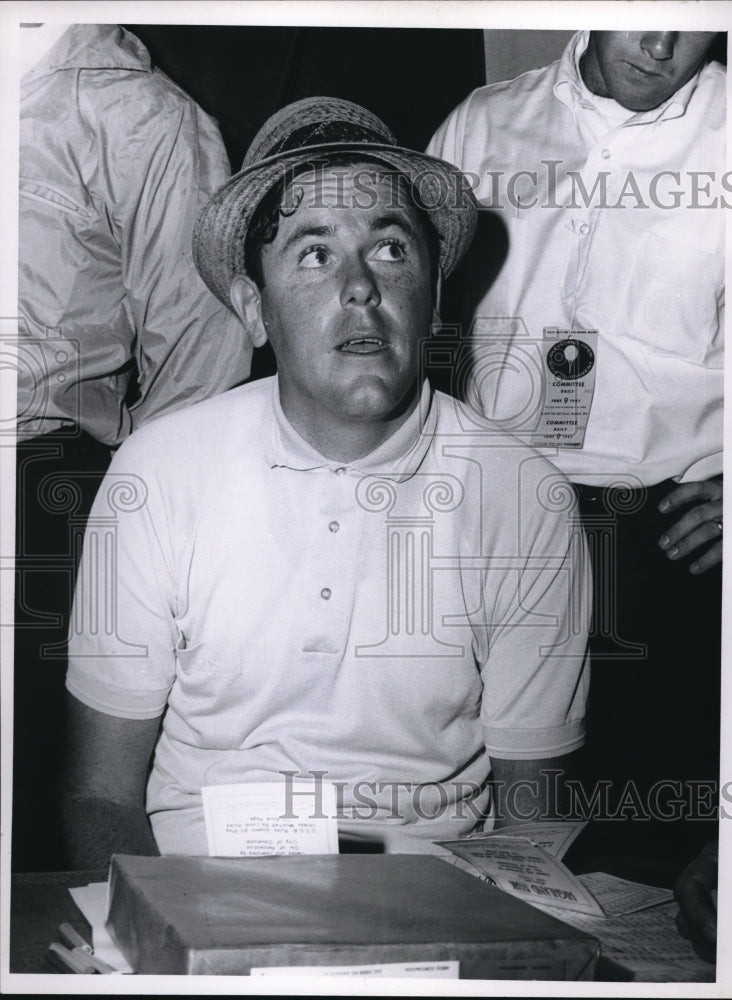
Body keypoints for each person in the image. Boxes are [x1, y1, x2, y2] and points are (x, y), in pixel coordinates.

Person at [61, 97, 590, 867]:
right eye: (312, 253)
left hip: (431, 905)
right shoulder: (156, 473)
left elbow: (531, 817)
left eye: (390, 251)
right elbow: (98, 794)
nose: (358, 287)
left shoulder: (526, 497)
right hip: (196, 892)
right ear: (253, 308)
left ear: (436, 299)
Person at [427, 31, 724, 863]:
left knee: (650, 847)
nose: (661, 42)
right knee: (487, 832)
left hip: (663, 544)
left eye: (691, 17)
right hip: (493, 524)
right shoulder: (481, 125)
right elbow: (414, 315)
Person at [13, 23, 253, 869]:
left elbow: (202, 363)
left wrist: (137, 546)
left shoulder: (143, 118)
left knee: (32, 825)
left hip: (33, 498)